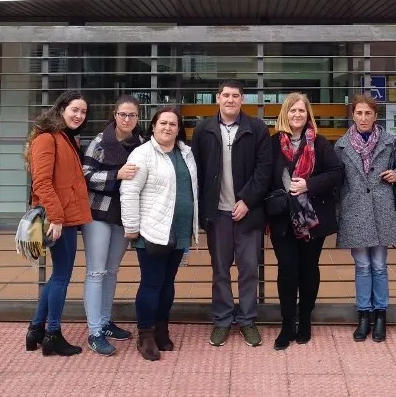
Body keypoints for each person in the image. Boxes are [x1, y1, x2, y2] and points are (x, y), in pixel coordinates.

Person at [191, 79, 273, 348]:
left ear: (242, 100)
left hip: (248, 213)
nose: (230, 100)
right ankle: (223, 320)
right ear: (217, 98)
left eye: (235, 96)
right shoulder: (203, 130)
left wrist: (247, 200)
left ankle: (248, 320)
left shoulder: (257, 128)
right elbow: (198, 173)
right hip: (218, 215)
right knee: (220, 270)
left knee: (249, 268)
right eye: (225, 95)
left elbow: (265, 170)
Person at [120, 107, 199, 361]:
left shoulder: (186, 153)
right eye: (162, 123)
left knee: (168, 284)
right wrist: (131, 227)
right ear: (153, 126)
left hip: (179, 230)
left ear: (179, 129)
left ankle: (161, 329)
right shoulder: (142, 154)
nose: (168, 127)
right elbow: (129, 191)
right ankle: (145, 335)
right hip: (152, 231)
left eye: (173, 124)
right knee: (152, 283)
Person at [268, 93, 343, 350]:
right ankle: (287, 324)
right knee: (287, 270)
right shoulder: (272, 144)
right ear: (285, 114)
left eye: (301, 111)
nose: (297, 115)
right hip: (282, 219)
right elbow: (263, 176)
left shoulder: (320, 143)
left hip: (313, 220)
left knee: (309, 269)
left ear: (308, 114)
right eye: (292, 111)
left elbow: (336, 173)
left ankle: (305, 320)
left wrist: (308, 184)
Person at [334, 94, 396, 343]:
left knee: (379, 264)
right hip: (354, 210)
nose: (363, 118)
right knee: (362, 265)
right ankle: (363, 314)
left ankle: (381, 315)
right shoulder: (342, 145)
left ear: (376, 116)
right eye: (359, 113)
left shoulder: (390, 141)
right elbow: (338, 182)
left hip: (381, 208)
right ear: (352, 115)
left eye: (368, 113)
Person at [23, 90, 92, 356]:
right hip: (59, 220)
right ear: (61, 109)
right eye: (75, 109)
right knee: (62, 276)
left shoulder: (65, 138)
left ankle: (36, 329)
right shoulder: (46, 138)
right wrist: (58, 217)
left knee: (57, 275)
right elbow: (41, 182)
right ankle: (53, 334)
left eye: (83, 112)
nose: (79, 115)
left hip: (67, 218)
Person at [80, 95, 146, 356]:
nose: (127, 119)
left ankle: (106, 322)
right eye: (123, 115)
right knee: (96, 272)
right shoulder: (99, 142)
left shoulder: (140, 143)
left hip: (124, 215)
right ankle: (94, 331)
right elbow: (84, 176)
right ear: (114, 115)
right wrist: (114, 175)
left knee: (111, 271)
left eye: (132, 115)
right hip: (97, 213)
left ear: (137, 118)